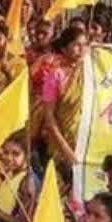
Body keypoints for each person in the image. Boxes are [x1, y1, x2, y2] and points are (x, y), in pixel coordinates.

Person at [40, 27, 87, 182]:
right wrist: (65, 149)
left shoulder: (90, 74)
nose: (81, 49)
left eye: (84, 45)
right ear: (64, 49)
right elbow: (49, 117)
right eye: (76, 45)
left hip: (85, 143)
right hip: (61, 146)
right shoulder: (55, 75)